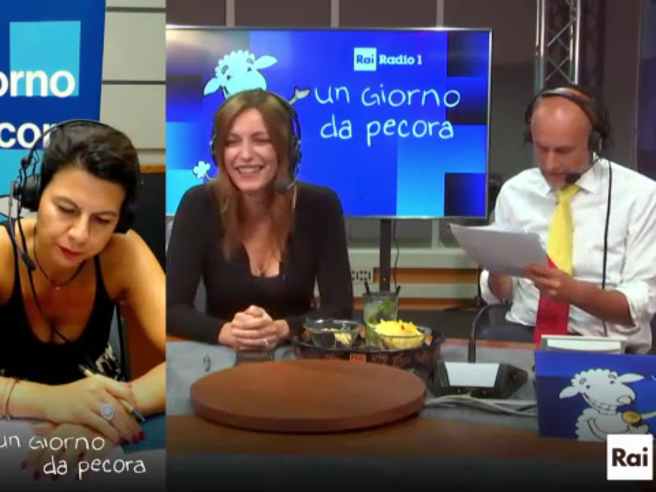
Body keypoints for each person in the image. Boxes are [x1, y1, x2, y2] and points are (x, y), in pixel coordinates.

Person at [0, 121, 166, 473]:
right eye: (66, 209)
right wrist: (53, 401)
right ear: (35, 195)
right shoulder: (2, 254)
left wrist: (106, 413)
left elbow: (192, 358)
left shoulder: (123, 253)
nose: (79, 234)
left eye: (102, 219)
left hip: (97, 439)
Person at [167, 89, 353, 349]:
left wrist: (283, 329)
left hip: (296, 357)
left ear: (287, 150)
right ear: (218, 152)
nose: (245, 155)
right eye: (232, 142)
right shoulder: (198, 204)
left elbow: (340, 308)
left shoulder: (321, 205)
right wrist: (228, 332)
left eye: (261, 140)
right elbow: (171, 308)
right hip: (221, 358)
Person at [479, 84, 656, 354]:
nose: (550, 164)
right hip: (525, 334)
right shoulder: (515, 192)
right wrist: (496, 266)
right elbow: (502, 294)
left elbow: (639, 307)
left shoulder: (641, 196)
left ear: (594, 142)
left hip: (604, 345)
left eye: (563, 151)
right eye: (541, 148)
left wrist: (574, 293)